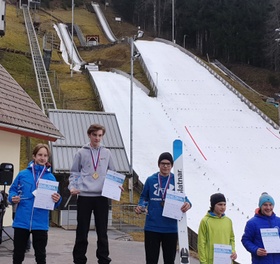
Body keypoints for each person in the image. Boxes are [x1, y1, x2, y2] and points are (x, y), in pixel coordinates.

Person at [68, 124, 116, 264]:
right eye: (94, 135)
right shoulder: (81, 153)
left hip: (101, 197)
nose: (97, 138)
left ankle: (103, 259)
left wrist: (116, 187)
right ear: (89, 135)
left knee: (102, 232)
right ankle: (79, 259)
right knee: (82, 231)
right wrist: (72, 187)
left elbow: (113, 173)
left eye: (100, 135)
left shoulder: (107, 153)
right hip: (84, 197)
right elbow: (74, 173)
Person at [8, 143, 61, 264]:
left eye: (45, 155)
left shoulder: (51, 178)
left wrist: (58, 199)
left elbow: (56, 199)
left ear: (48, 158)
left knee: (41, 256)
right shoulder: (23, 174)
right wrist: (12, 197)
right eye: (40, 155)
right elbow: (13, 190)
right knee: (18, 255)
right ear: (34, 156)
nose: (42, 158)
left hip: (40, 222)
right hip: (22, 220)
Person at [135, 152, 192, 264]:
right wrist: (141, 205)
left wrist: (188, 204)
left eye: (168, 164)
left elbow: (184, 198)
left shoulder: (177, 181)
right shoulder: (151, 180)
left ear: (172, 165)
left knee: (169, 260)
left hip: (170, 228)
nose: (165, 166)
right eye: (163, 163)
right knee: (151, 260)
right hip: (152, 227)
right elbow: (144, 197)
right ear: (159, 164)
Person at [198, 193, 237, 264]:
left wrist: (233, 251)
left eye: (224, 204)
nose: (223, 207)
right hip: (210, 261)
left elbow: (231, 239)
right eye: (220, 204)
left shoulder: (228, 221)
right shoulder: (205, 221)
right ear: (213, 205)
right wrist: (203, 262)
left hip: (226, 260)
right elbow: (201, 243)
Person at [241, 192, 280, 263]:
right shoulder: (252, 223)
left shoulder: (278, 221)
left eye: (270, 205)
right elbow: (245, 240)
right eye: (265, 205)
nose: (268, 208)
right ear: (260, 206)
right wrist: (255, 250)